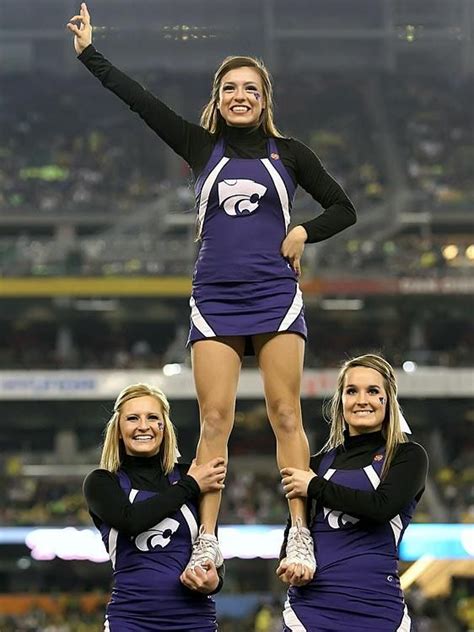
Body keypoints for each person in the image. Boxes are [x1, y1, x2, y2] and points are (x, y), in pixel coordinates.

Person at [67, 3, 357, 576]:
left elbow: (344, 208)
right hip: (216, 299)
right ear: (218, 97)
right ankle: (207, 537)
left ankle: (300, 532)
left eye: (251, 88)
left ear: (264, 98)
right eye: (230, 88)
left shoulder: (291, 154)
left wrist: (302, 230)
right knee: (215, 419)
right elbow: (140, 101)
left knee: (284, 414)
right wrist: (90, 54)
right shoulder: (202, 148)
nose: (240, 96)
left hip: (275, 296)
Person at [277, 354, 429, 632]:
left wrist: (314, 486)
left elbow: (381, 508)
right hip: (310, 613)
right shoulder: (317, 465)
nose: (362, 400)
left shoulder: (407, 456)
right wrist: (291, 563)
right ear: (340, 402)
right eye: (351, 391)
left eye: (373, 391)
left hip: (379, 613)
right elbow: (296, 533)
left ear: (388, 401)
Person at [83, 383, 227, 631]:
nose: (143, 426)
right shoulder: (102, 482)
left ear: (164, 427)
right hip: (129, 621)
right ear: (118, 429)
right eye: (132, 418)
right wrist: (191, 485)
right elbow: (131, 521)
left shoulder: (188, 477)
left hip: (195, 622)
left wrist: (215, 581)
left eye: (152, 418)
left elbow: (209, 545)